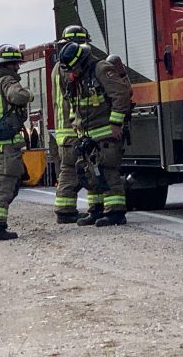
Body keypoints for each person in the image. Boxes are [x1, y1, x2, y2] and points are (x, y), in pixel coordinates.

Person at [58, 40, 132, 227]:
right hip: (88, 134)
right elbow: (76, 105)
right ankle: (96, 210)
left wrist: (116, 123)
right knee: (92, 173)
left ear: (81, 62)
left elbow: (120, 95)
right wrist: (77, 127)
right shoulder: (81, 77)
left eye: (74, 68)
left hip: (106, 131)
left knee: (108, 171)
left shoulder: (101, 69)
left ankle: (115, 213)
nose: (72, 73)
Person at [50, 25, 103, 224]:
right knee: (77, 170)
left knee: (74, 169)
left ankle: (84, 208)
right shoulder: (68, 66)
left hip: (64, 130)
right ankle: (67, 211)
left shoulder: (58, 66)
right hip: (73, 128)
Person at [0, 44, 33, 241]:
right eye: (16, 65)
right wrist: (29, 94)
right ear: (10, 65)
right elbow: (17, 96)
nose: (18, 68)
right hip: (5, 143)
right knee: (5, 182)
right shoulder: (6, 81)